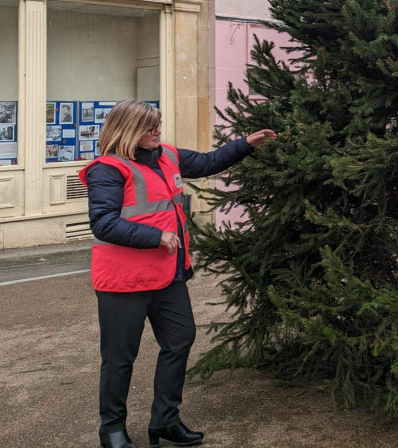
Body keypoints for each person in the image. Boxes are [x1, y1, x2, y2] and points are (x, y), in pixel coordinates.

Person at [81, 99, 276, 448]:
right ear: (126, 130)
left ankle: (166, 420)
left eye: (158, 124)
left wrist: (245, 144)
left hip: (167, 274)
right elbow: (103, 223)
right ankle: (111, 429)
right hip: (124, 281)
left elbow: (206, 162)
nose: (157, 131)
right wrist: (155, 236)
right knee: (119, 358)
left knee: (179, 340)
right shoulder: (107, 169)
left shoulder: (167, 155)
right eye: (149, 126)